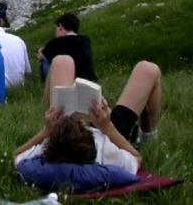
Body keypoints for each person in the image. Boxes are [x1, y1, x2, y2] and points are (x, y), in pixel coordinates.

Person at [17, 57, 162, 175]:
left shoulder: (43, 152)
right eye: (81, 125)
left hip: (65, 132)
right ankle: (148, 137)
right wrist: (108, 128)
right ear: (93, 142)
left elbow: (17, 155)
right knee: (149, 69)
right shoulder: (107, 152)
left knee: (62, 61)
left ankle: (63, 123)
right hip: (108, 134)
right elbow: (137, 157)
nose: (82, 121)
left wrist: (46, 131)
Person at [37, 13, 97, 83]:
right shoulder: (85, 40)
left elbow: (41, 56)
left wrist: (40, 50)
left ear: (60, 27)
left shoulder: (55, 43)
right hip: (88, 80)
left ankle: (49, 86)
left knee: (44, 61)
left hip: (66, 83)